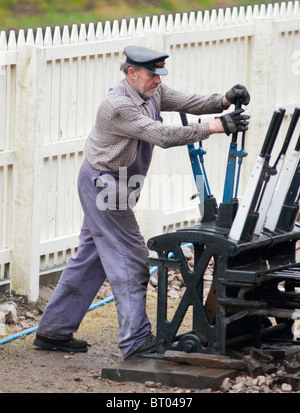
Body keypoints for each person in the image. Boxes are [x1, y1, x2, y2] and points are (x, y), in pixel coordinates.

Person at [34, 45, 250, 360]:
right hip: (103, 185)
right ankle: (135, 340)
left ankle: (53, 331)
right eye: (152, 75)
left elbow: (187, 102)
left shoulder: (150, 93)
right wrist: (217, 126)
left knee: (90, 258)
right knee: (131, 256)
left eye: (160, 75)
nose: (158, 81)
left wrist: (224, 100)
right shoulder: (118, 106)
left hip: (115, 183)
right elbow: (161, 135)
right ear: (131, 73)